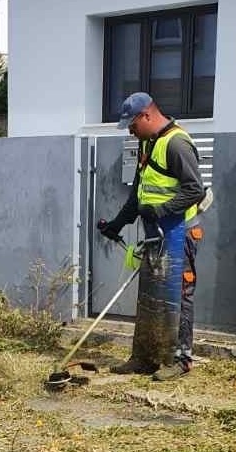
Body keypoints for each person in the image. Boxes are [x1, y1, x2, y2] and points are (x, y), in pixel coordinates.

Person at [97, 92, 206, 381]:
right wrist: (118, 224)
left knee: (179, 295)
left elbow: (195, 190)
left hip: (180, 232)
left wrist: (161, 210)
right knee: (149, 295)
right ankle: (145, 357)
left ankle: (180, 360)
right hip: (156, 232)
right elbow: (138, 192)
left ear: (146, 115)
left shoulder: (177, 144)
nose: (131, 131)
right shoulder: (148, 142)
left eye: (132, 125)